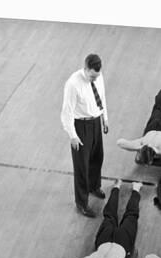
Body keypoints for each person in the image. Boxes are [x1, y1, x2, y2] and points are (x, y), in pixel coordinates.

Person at [56, 180, 143, 258]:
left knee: (131, 215)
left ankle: (136, 189)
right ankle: (116, 186)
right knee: (109, 214)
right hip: (105, 239)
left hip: (122, 241)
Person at [61, 53, 109, 218]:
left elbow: (101, 97)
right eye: (92, 75)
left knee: (97, 157)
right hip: (81, 126)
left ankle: (94, 186)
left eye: (97, 75)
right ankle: (82, 203)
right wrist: (73, 135)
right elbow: (66, 112)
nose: (95, 79)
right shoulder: (73, 84)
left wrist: (104, 118)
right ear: (85, 68)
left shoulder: (98, 77)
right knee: (82, 166)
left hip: (95, 122)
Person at [117, 83, 161, 163]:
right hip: (153, 127)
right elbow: (119, 142)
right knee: (158, 107)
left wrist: (157, 151)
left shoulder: (160, 148)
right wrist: (139, 148)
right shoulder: (141, 144)